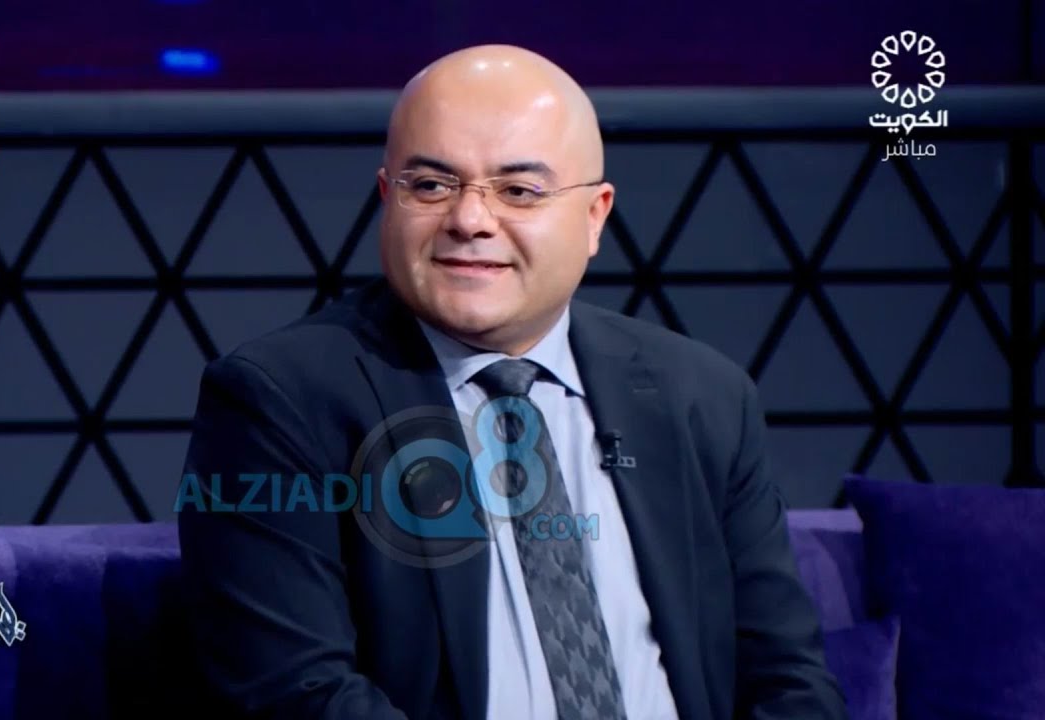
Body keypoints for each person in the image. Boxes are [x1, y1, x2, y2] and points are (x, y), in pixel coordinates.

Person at [177, 44, 847, 720]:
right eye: (431, 186)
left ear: (594, 217)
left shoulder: (701, 395)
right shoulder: (279, 399)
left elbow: (788, 679)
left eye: (518, 191)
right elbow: (297, 693)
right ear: (388, 198)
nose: (469, 220)